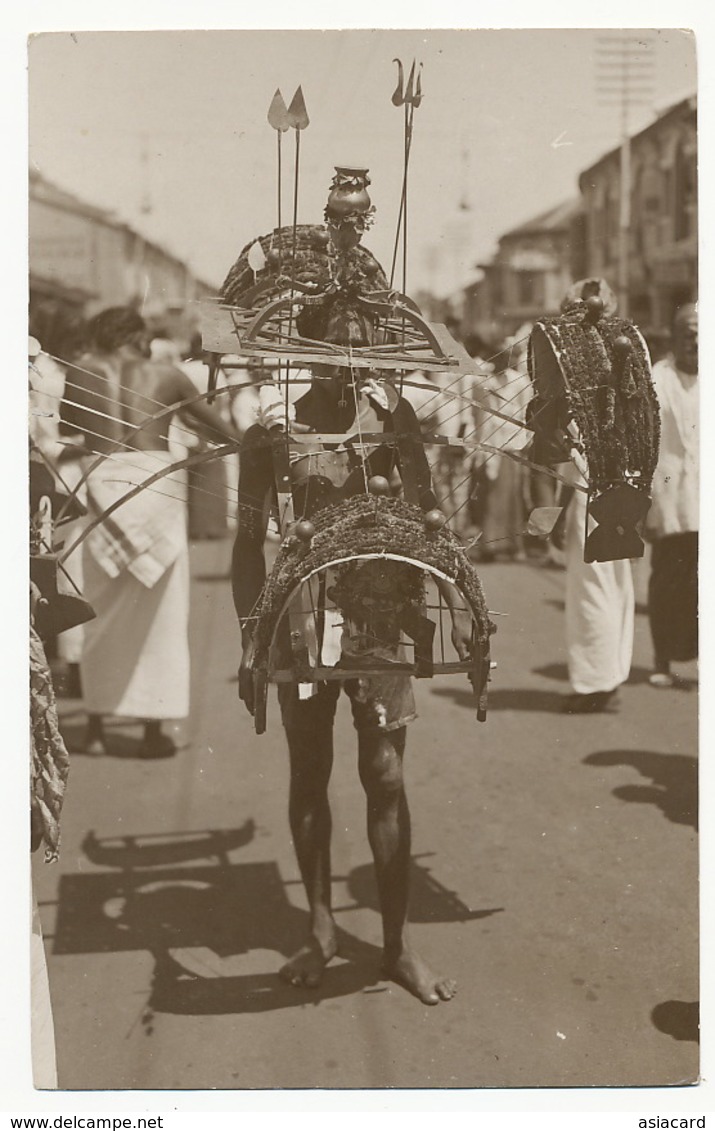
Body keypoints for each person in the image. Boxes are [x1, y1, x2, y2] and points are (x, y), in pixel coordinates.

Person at [232, 364, 472, 1004]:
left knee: (387, 776)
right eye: (335, 348)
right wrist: (249, 640)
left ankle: (398, 947)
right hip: (299, 620)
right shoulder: (270, 435)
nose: (352, 364)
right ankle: (320, 928)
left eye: (363, 347)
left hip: (383, 614)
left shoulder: (395, 421)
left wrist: (463, 603)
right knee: (309, 770)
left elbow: (431, 522)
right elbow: (246, 542)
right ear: (307, 354)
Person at [62, 306, 239, 757]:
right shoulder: (168, 374)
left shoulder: (80, 372)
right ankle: (152, 732)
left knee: (98, 611)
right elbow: (224, 433)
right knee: (160, 614)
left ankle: (98, 729)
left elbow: (71, 432)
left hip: (101, 488)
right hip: (155, 490)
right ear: (138, 337)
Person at [549, 279, 635, 713]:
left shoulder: (592, 359)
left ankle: (595, 683)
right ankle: (608, 673)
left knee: (593, 585)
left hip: (595, 480)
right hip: (612, 480)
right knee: (611, 581)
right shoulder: (625, 351)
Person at [645, 303, 698, 687]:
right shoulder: (655, 380)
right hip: (666, 497)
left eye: (701, 333)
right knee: (666, 580)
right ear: (673, 336)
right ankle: (663, 660)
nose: (694, 340)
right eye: (687, 333)